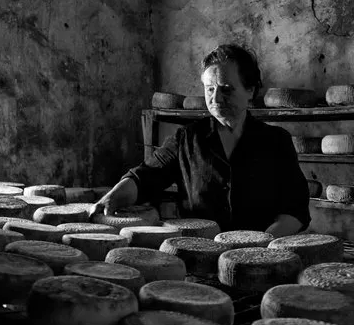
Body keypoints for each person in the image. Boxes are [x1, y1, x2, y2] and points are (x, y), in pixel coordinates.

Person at [90, 44, 311, 238]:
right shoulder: (187, 139)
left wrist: (260, 244)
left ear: (250, 90)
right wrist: (111, 198)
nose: (215, 99)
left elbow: (296, 208)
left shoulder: (276, 141)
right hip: (198, 254)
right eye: (210, 89)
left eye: (226, 89)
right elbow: (145, 177)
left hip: (260, 260)